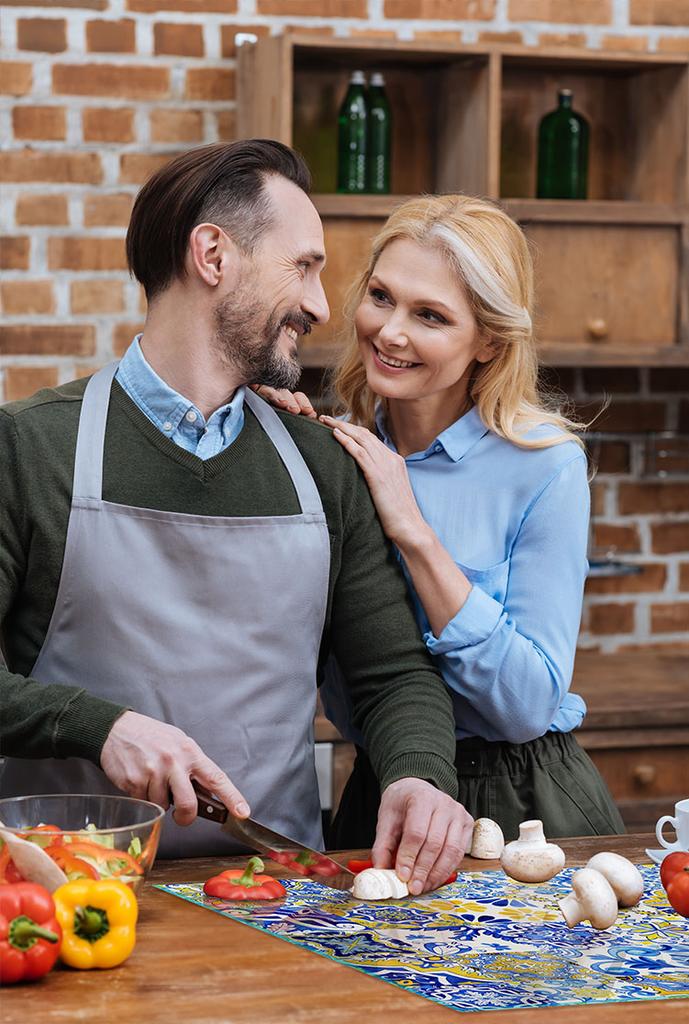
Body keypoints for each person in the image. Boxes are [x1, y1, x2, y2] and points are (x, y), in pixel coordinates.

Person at [0, 142, 474, 893]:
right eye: (303, 267)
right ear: (213, 256)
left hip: (277, 893)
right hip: (66, 895)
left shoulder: (322, 466)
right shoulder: (29, 448)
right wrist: (101, 726)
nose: (321, 307)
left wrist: (417, 773)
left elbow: (391, 674)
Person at [259, 193, 625, 847]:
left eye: (429, 315)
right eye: (381, 297)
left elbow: (526, 705)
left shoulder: (543, 465)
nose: (390, 332)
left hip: (521, 802)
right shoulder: (334, 452)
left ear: (488, 340)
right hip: (381, 789)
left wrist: (414, 533)